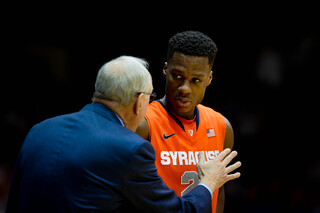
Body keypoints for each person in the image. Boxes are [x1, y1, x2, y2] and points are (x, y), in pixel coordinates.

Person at [5, 55, 241, 212]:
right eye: (149, 97)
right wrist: (209, 182)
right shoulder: (129, 148)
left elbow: (13, 202)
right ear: (140, 101)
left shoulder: (39, 130)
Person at [136, 30, 235, 213]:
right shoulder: (143, 124)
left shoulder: (222, 126)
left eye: (196, 80)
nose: (184, 88)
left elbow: (219, 192)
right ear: (165, 70)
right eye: (178, 76)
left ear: (209, 79)